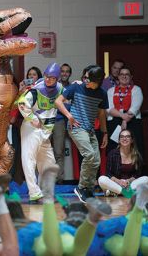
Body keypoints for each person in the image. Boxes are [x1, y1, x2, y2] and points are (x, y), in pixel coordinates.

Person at [55, 65, 108, 203]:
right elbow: (58, 101)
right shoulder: (75, 87)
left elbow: (102, 114)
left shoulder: (102, 94)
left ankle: (88, 189)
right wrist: (69, 116)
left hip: (90, 129)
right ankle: (81, 187)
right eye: (85, 78)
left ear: (97, 81)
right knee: (89, 155)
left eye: (88, 79)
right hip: (76, 127)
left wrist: (104, 132)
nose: (85, 80)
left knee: (96, 160)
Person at [17, 62, 63, 202]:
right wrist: (31, 118)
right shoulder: (36, 89)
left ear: (57, 79)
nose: (49, 79)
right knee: (29, 160)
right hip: (32, 128)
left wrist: (79, 84)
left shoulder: (60, 88)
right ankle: (35, 194)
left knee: (49, 164)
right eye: (47, 77)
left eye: (52, 78)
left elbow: (68, 93)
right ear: (44, 75)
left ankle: (46, 192)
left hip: (45, 131)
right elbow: (22, 103)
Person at [98, 129, 148, 196]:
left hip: (130, 184)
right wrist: (119, 181)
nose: (124, 138)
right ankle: (125, 192)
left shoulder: (136, 154)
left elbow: (137, 175)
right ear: (119, 140)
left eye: (127, 136)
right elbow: (108, 174)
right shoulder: (112, 154)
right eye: (122, 137)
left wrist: (128, 181)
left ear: (131, 140)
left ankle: (116, 192)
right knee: (101, 179)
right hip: (116, 183)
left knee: (146, 179)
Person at [106, 66, 144, 153]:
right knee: (114, 149)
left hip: (132, 121)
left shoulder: (136, 89)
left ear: (131, 77)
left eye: (127, 74)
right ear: (118, 77)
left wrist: (125, 121)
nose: (124, 76)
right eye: (122, 74)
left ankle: (135, 167)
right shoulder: (110, 90)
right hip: (114, 121)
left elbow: (135, 107)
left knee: (134, 149)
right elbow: (109, 108)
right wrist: (123, 117)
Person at [52, 63, 72, 182]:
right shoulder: (54, 86)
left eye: (67, 71)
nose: (64, 73)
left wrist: (59, 104)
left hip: (60, 122)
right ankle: (44, 179)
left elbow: (70, 107)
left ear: (69, 74)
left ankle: (59, 179)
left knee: (58, 151)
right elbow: (52, 103)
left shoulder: (71, 88)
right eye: (62, 71)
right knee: (44, 151)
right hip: (46, 121)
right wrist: (63, 104)